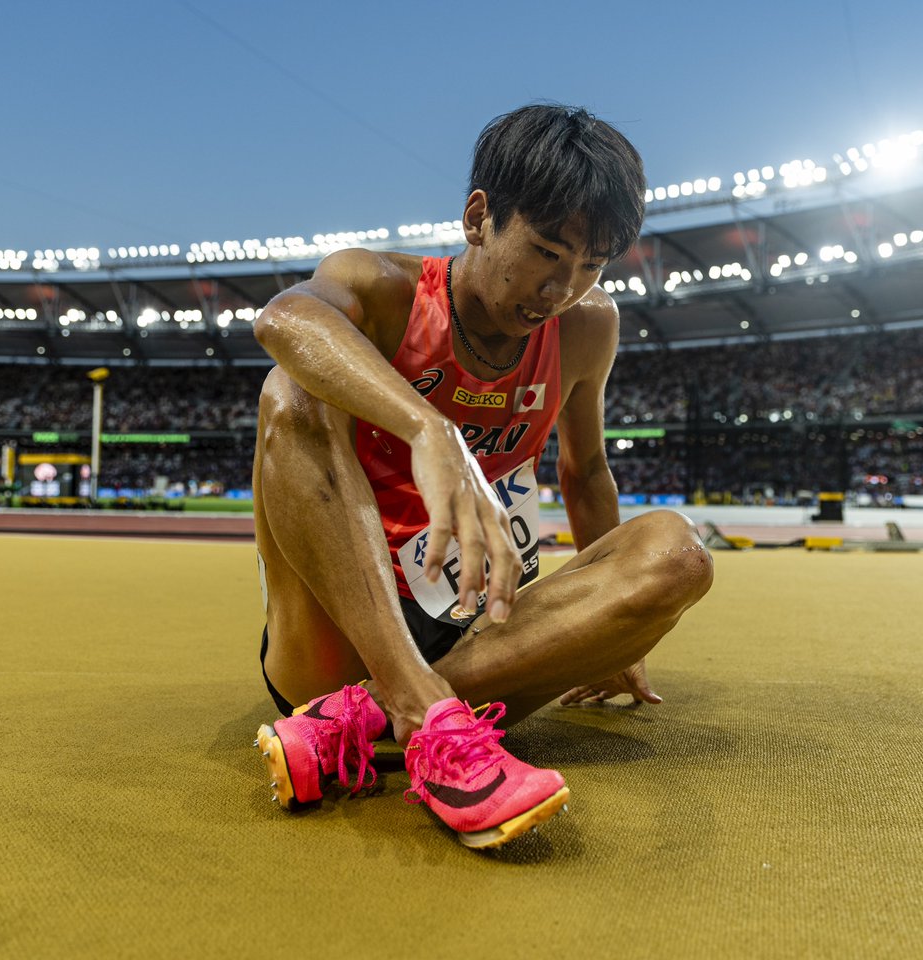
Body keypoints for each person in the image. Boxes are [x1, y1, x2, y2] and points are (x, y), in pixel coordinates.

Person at [251, 104, 714, 849]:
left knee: (677, 554)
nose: (561, 287)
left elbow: (586, 469)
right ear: (478, 218)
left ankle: (386, 717)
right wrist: (428, 429)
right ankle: (400, 696)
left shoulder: (586, 326)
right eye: (545, 250)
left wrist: (616, 636)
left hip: (478, 640)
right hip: (337, 639)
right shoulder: (379, 288)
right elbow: (282, 321)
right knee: (292, 389)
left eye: (590, 265)